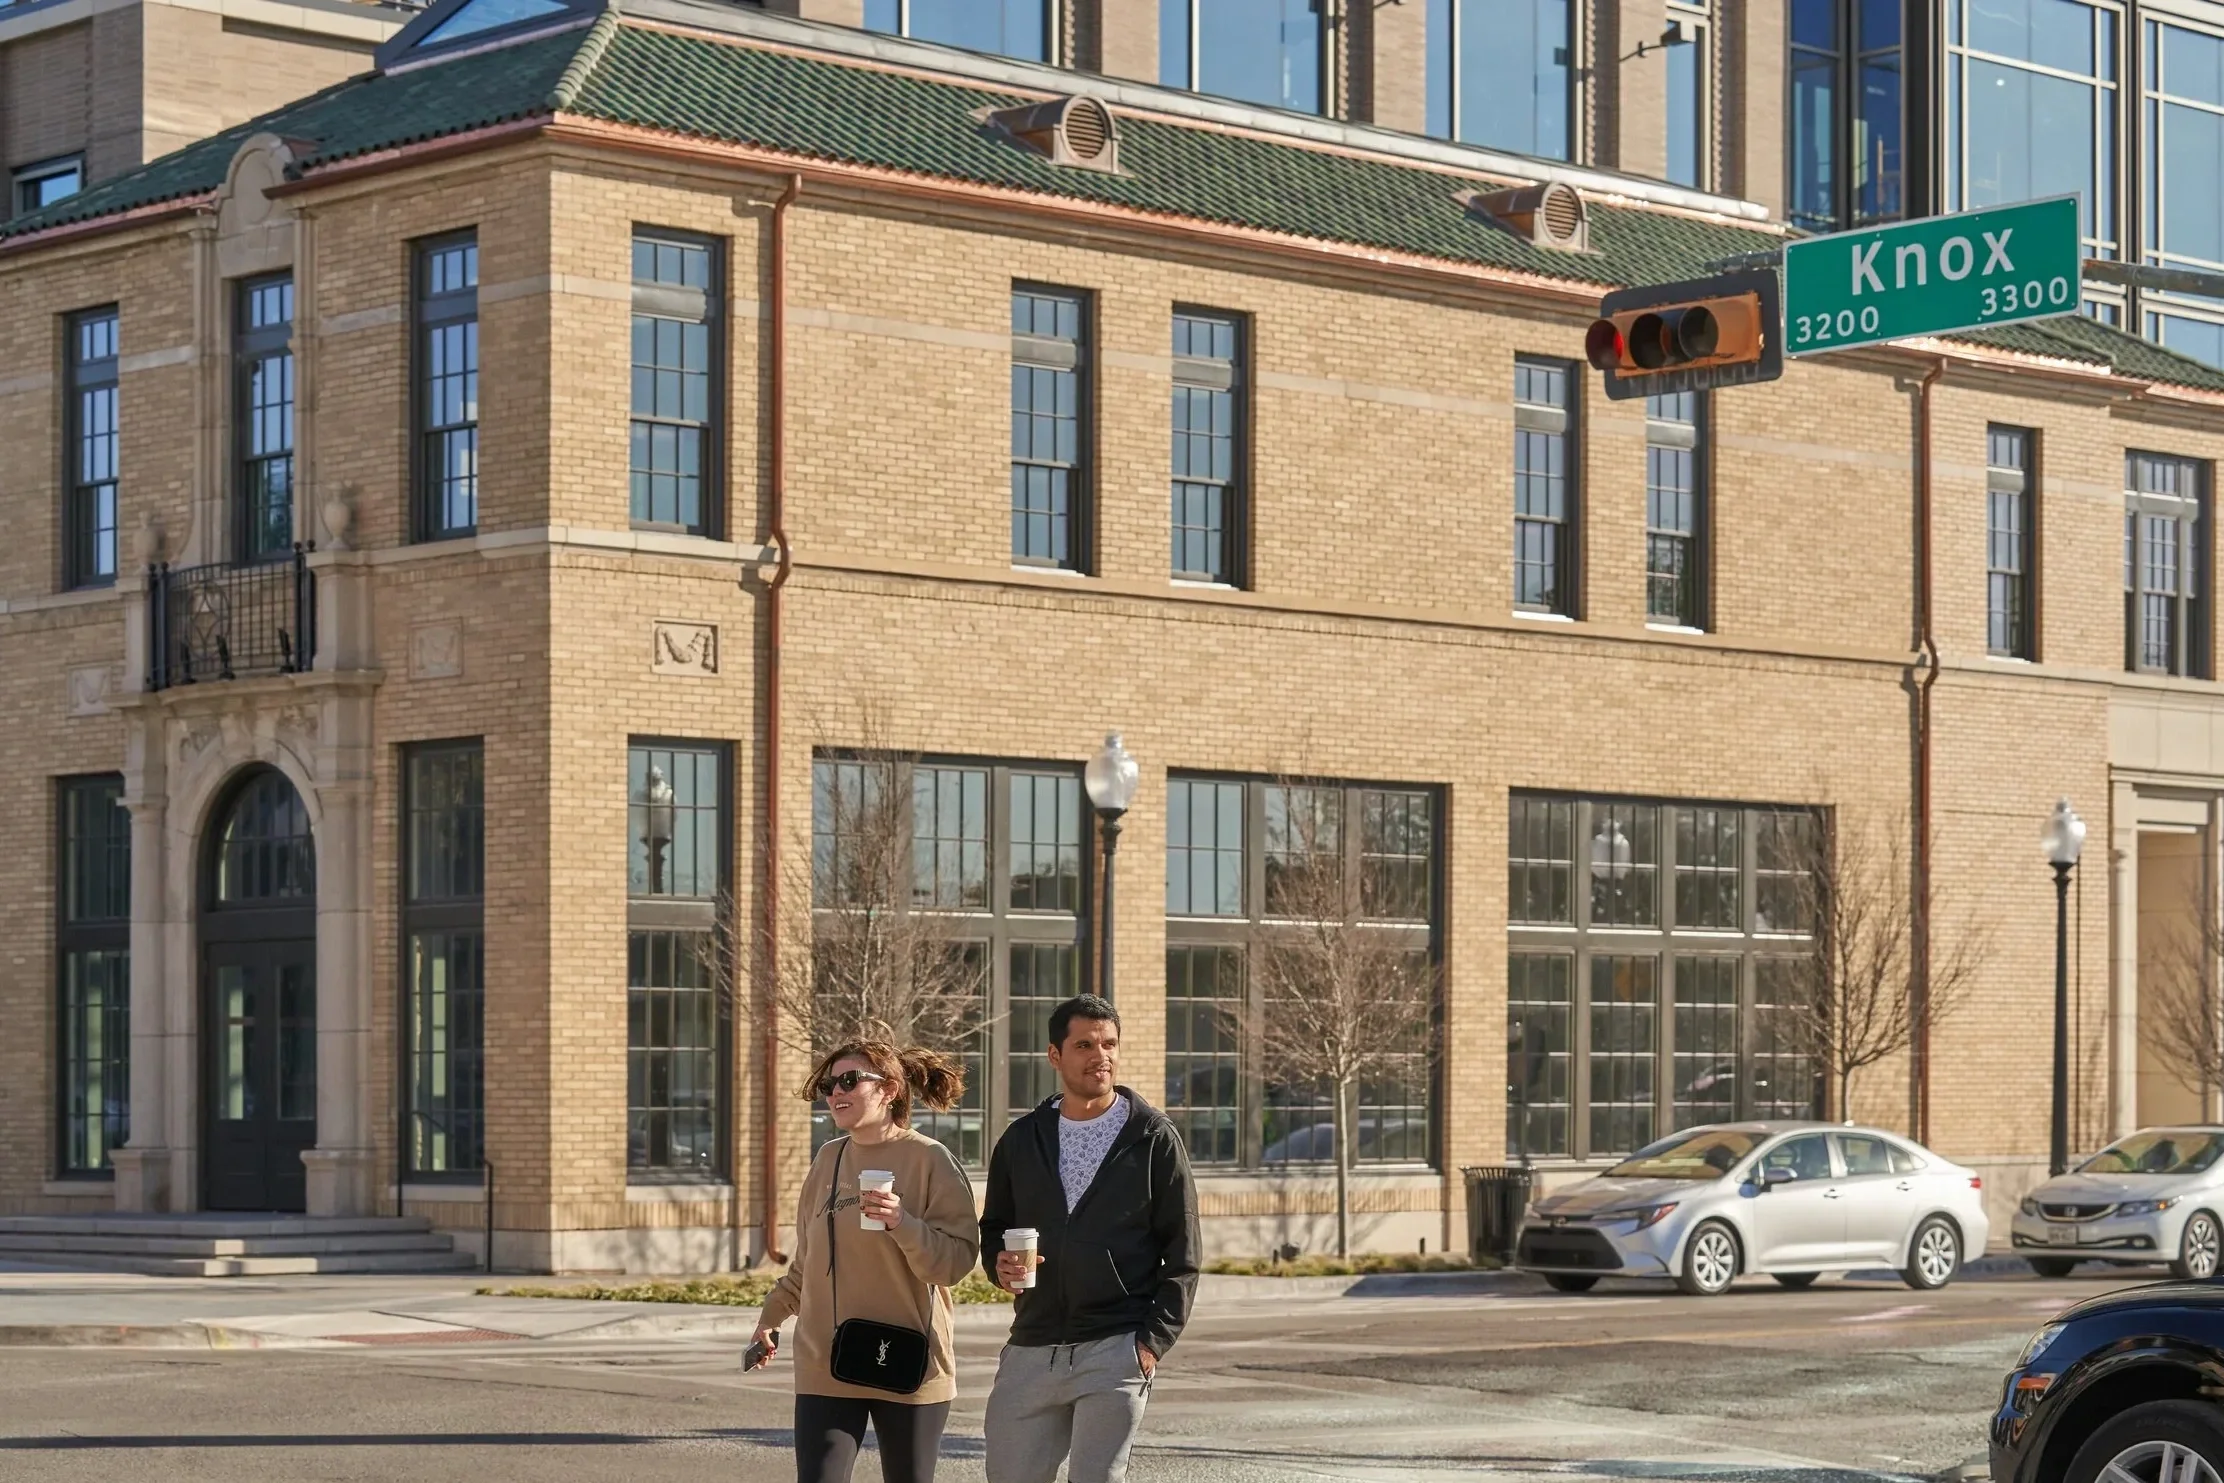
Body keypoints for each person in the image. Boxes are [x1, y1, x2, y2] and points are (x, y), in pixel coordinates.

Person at [979, 995, 1201, 1483]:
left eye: (1109, 1044)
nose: (1100, 1055)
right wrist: (999, 1263)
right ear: (1055, 1055)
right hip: (1032, 1345)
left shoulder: (1153, 1138)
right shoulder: (1021, 1139)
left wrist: (1150, 1343)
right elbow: (994, 1226)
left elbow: (1183, 1253)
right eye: (1084, 1044)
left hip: (1115, 1346)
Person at [750, 1042, 981, 1483]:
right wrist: (770, 1317)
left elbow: (954, 1262)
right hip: (827, 1361)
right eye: (829, 1083)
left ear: (890, 1090)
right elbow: (807, 1263)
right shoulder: (827, 1160)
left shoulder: (930, 1159)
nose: (836, 1090)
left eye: (850, 1080)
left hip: (910, 1360)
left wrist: (901, 1222)